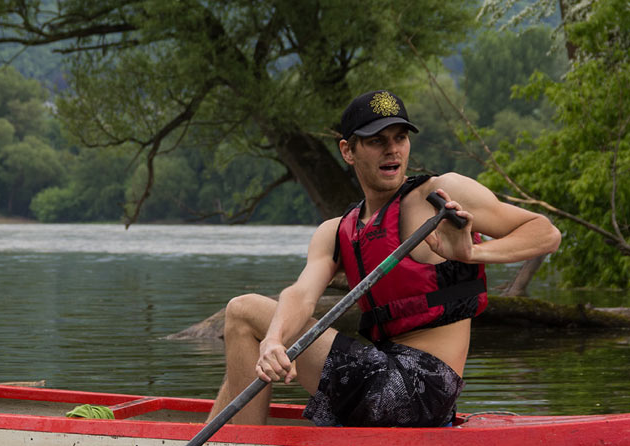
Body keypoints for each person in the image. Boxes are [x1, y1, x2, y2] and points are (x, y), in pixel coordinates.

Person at [207, 89, 561, 428]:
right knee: (252, 344)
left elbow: (545, 234)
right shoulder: (336, 231)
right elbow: (301, 294)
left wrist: (474, 252)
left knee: (242, 311)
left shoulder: (439, 195)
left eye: (400, 138)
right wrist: (273, 339)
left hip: (419, 391)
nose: (392, 151)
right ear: (348, 150)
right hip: (384, 379)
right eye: (377, 141)